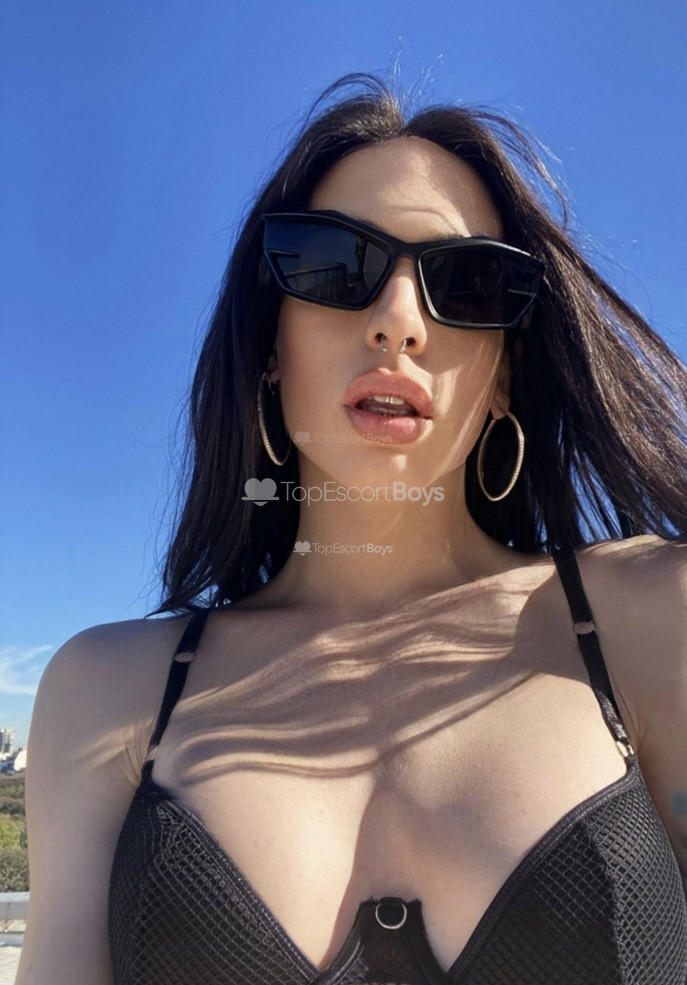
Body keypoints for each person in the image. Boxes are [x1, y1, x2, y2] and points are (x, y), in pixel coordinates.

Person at [18, 74, 687, 985]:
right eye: (335, 265)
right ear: (269, 347)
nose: (397, 323)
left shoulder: (650, 622)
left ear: (502, 376)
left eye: (467, 282)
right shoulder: (109, 694)